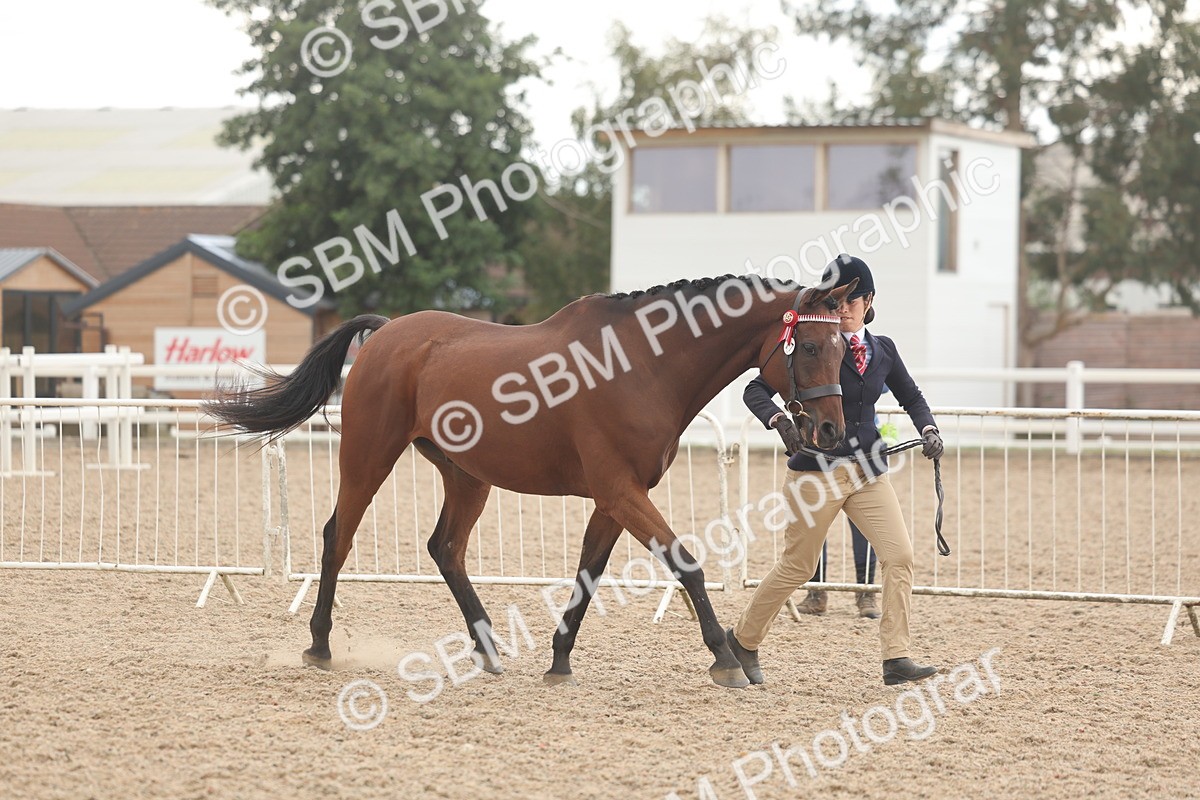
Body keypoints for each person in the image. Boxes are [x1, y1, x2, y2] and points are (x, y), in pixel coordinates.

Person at [726, 253, 944, 686]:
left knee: (900, 556)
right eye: (835, 302)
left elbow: (912, 396)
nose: (841, 309)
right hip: (815, 474)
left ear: (869, 302)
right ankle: (743, 641)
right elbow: (756, 388)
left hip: (866, 472)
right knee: (798, 566)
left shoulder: (883, 350)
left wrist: (929, 427)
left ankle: (896, 657)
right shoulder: (815, 344)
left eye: (851, 301)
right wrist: (779, 420)